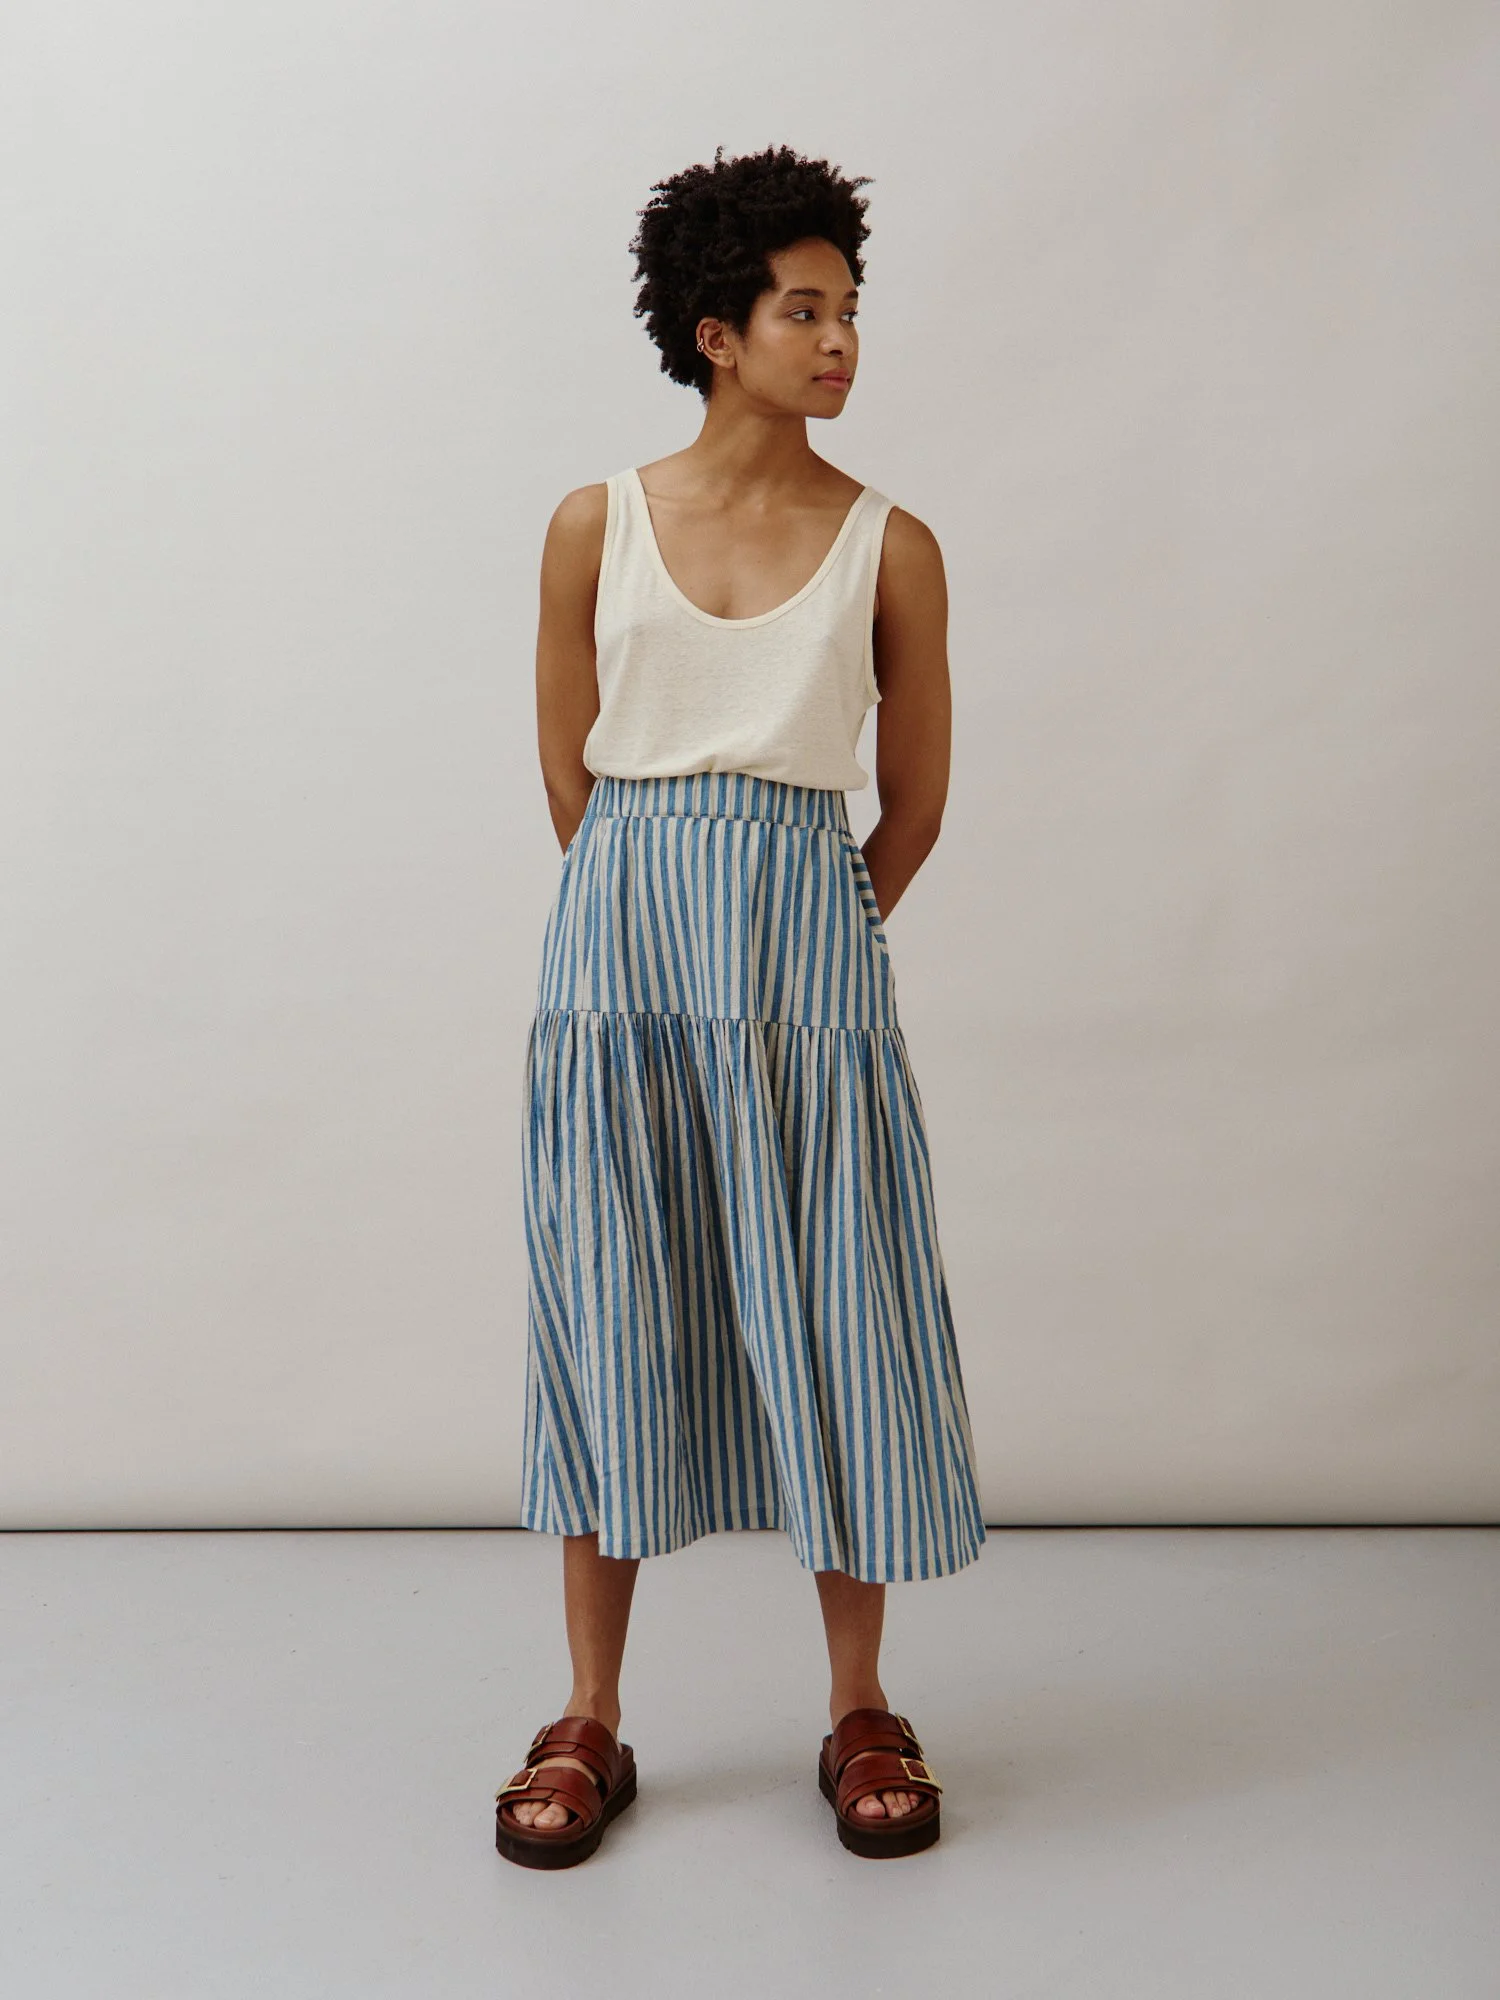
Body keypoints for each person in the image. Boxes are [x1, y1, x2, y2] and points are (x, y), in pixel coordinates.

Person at [494, 143, 986, 1870]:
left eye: (849, 311)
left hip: (806, 965)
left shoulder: (891, 546)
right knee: (611, 1305)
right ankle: (590, 1714)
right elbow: (572, 775)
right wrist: (653, 914)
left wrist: (804, 939)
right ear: (716, 333)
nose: (839, 342)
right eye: (803, 311)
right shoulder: (595, 525)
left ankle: (860, 1706)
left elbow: (912, 804)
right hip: (619, 963)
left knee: (838, 1305)